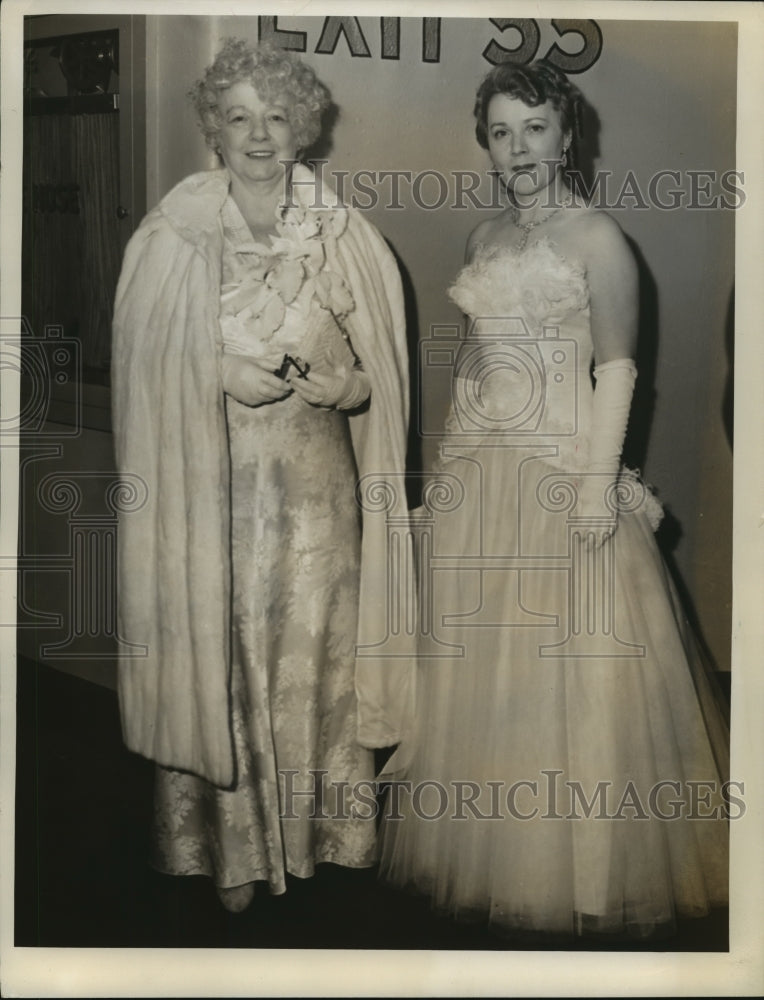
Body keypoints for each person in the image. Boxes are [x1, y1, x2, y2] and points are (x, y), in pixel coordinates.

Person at [379, 60, 730, 940]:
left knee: (571, 679)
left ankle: (580, 871)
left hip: (564, 474)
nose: (518, 147)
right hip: (485, 479)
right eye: (501, 132)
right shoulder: (484, 237)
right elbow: (470, 366)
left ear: (568, 135)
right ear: (488, 146)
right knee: (483, 683)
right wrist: (443, 478)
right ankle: (490, 845)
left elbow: (619, 372)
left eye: (534, 128)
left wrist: (590, 490)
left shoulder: (600, 238)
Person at [112, 38, 413, 913]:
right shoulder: (171, 233)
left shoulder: (347, 232)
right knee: (228, 652)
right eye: (238, 116)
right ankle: (231, 853)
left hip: (319, 493)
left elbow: (381, 375)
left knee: (313, 657)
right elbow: (139, 361)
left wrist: (349, 386)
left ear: (303, 129)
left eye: (276, 116)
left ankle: (320, 837)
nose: (257, 134)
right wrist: (212, 370)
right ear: (214, 126)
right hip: (211, 490)